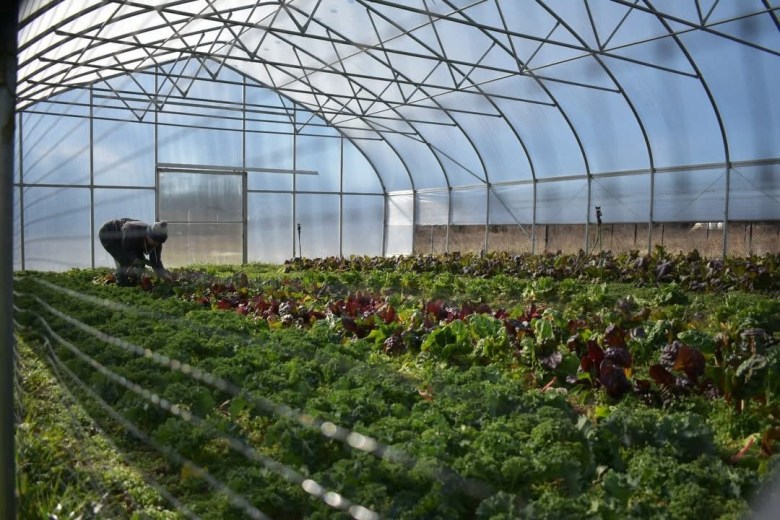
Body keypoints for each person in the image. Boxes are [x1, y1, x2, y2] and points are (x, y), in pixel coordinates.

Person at [98, 218, 173, 285]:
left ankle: (135, 283)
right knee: (125, 261)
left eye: (158, 243)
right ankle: (122, 283)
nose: (155, 244)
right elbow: (127, 251)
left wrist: (163, 273)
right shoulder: (132, 230)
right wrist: (134, 261)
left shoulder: (157, 242)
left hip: (129, 240)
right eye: (154, 241)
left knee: (140, 263)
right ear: (148, 235)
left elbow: (155, 261)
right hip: (109, 234)